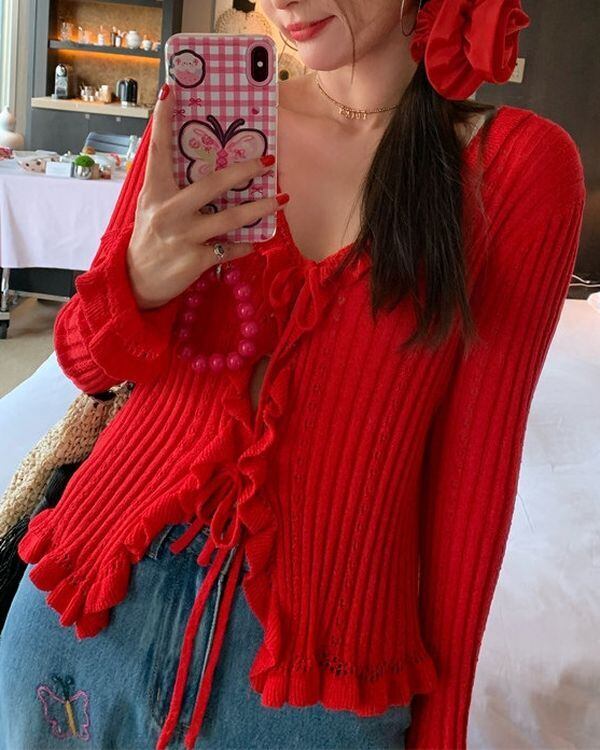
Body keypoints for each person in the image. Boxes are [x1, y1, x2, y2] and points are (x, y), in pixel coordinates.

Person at [0, 1, 586, 749]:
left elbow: (472, 480)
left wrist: (440, 735)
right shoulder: (203, 120)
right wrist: (138, 284)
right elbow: (84, 363)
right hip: (88, 606)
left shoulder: (516, 169)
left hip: (313, 683)